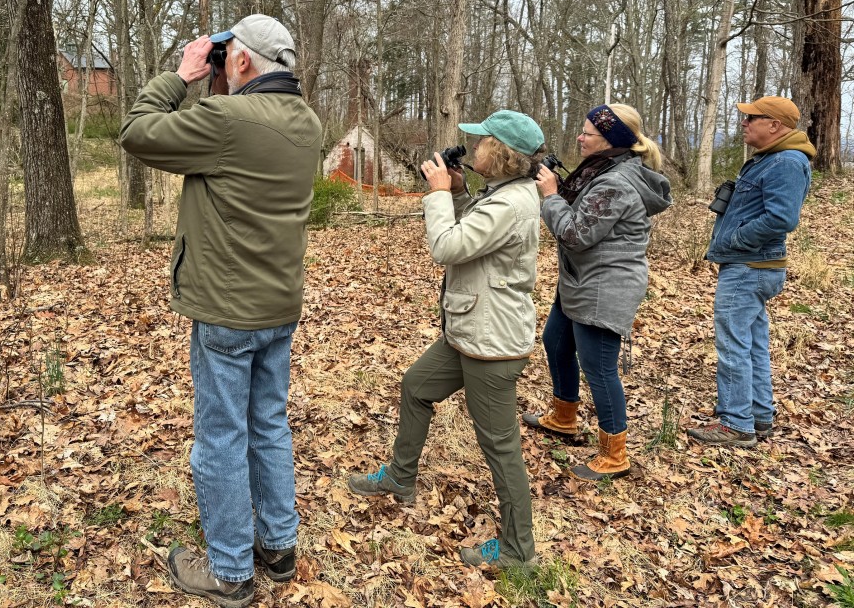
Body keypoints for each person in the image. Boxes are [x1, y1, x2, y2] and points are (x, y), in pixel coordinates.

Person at [120, 14, 321, 608]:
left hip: (228, 311)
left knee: (220, 437)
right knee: (268, 423)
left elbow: (137, 131)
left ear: (239, 63)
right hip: (278, 304)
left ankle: (231, 572)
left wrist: (180, 77)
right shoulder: (305, 122)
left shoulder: (226, 120)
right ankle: (277, 547)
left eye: (225, 56)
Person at [348, 110, 545, 572]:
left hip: (491, 343)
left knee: (501, 447)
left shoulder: (512, 203)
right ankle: (400, 477)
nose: (473, 148)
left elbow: (448, 247)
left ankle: (519, 550)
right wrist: (457, 193)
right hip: (469, 331)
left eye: (481, 142)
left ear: (499, 151)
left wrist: (437, 195)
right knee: (417, 386)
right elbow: (472, 238)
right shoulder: (502, 195)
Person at [525, 104, 671, 481]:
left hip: (605, 285)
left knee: (600, 368)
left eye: (587, 132)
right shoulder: (602, 169)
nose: (580, 137)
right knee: (555, 341)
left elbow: (575, 234)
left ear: (610, 140)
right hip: (581, 279)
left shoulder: (615, 182)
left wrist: (552, 196)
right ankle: (563, 417)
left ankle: (614, 454)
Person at [686, 96, 815, 448]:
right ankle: (757, 416)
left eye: (751, 118)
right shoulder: (771, 159)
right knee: (753, 344)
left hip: (750, 266)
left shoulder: (785, 162)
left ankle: (735, 424)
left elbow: (782, 218)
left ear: (774, 125)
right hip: (753, 266)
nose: (744, 123)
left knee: (733, 346)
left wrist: (735, 240)